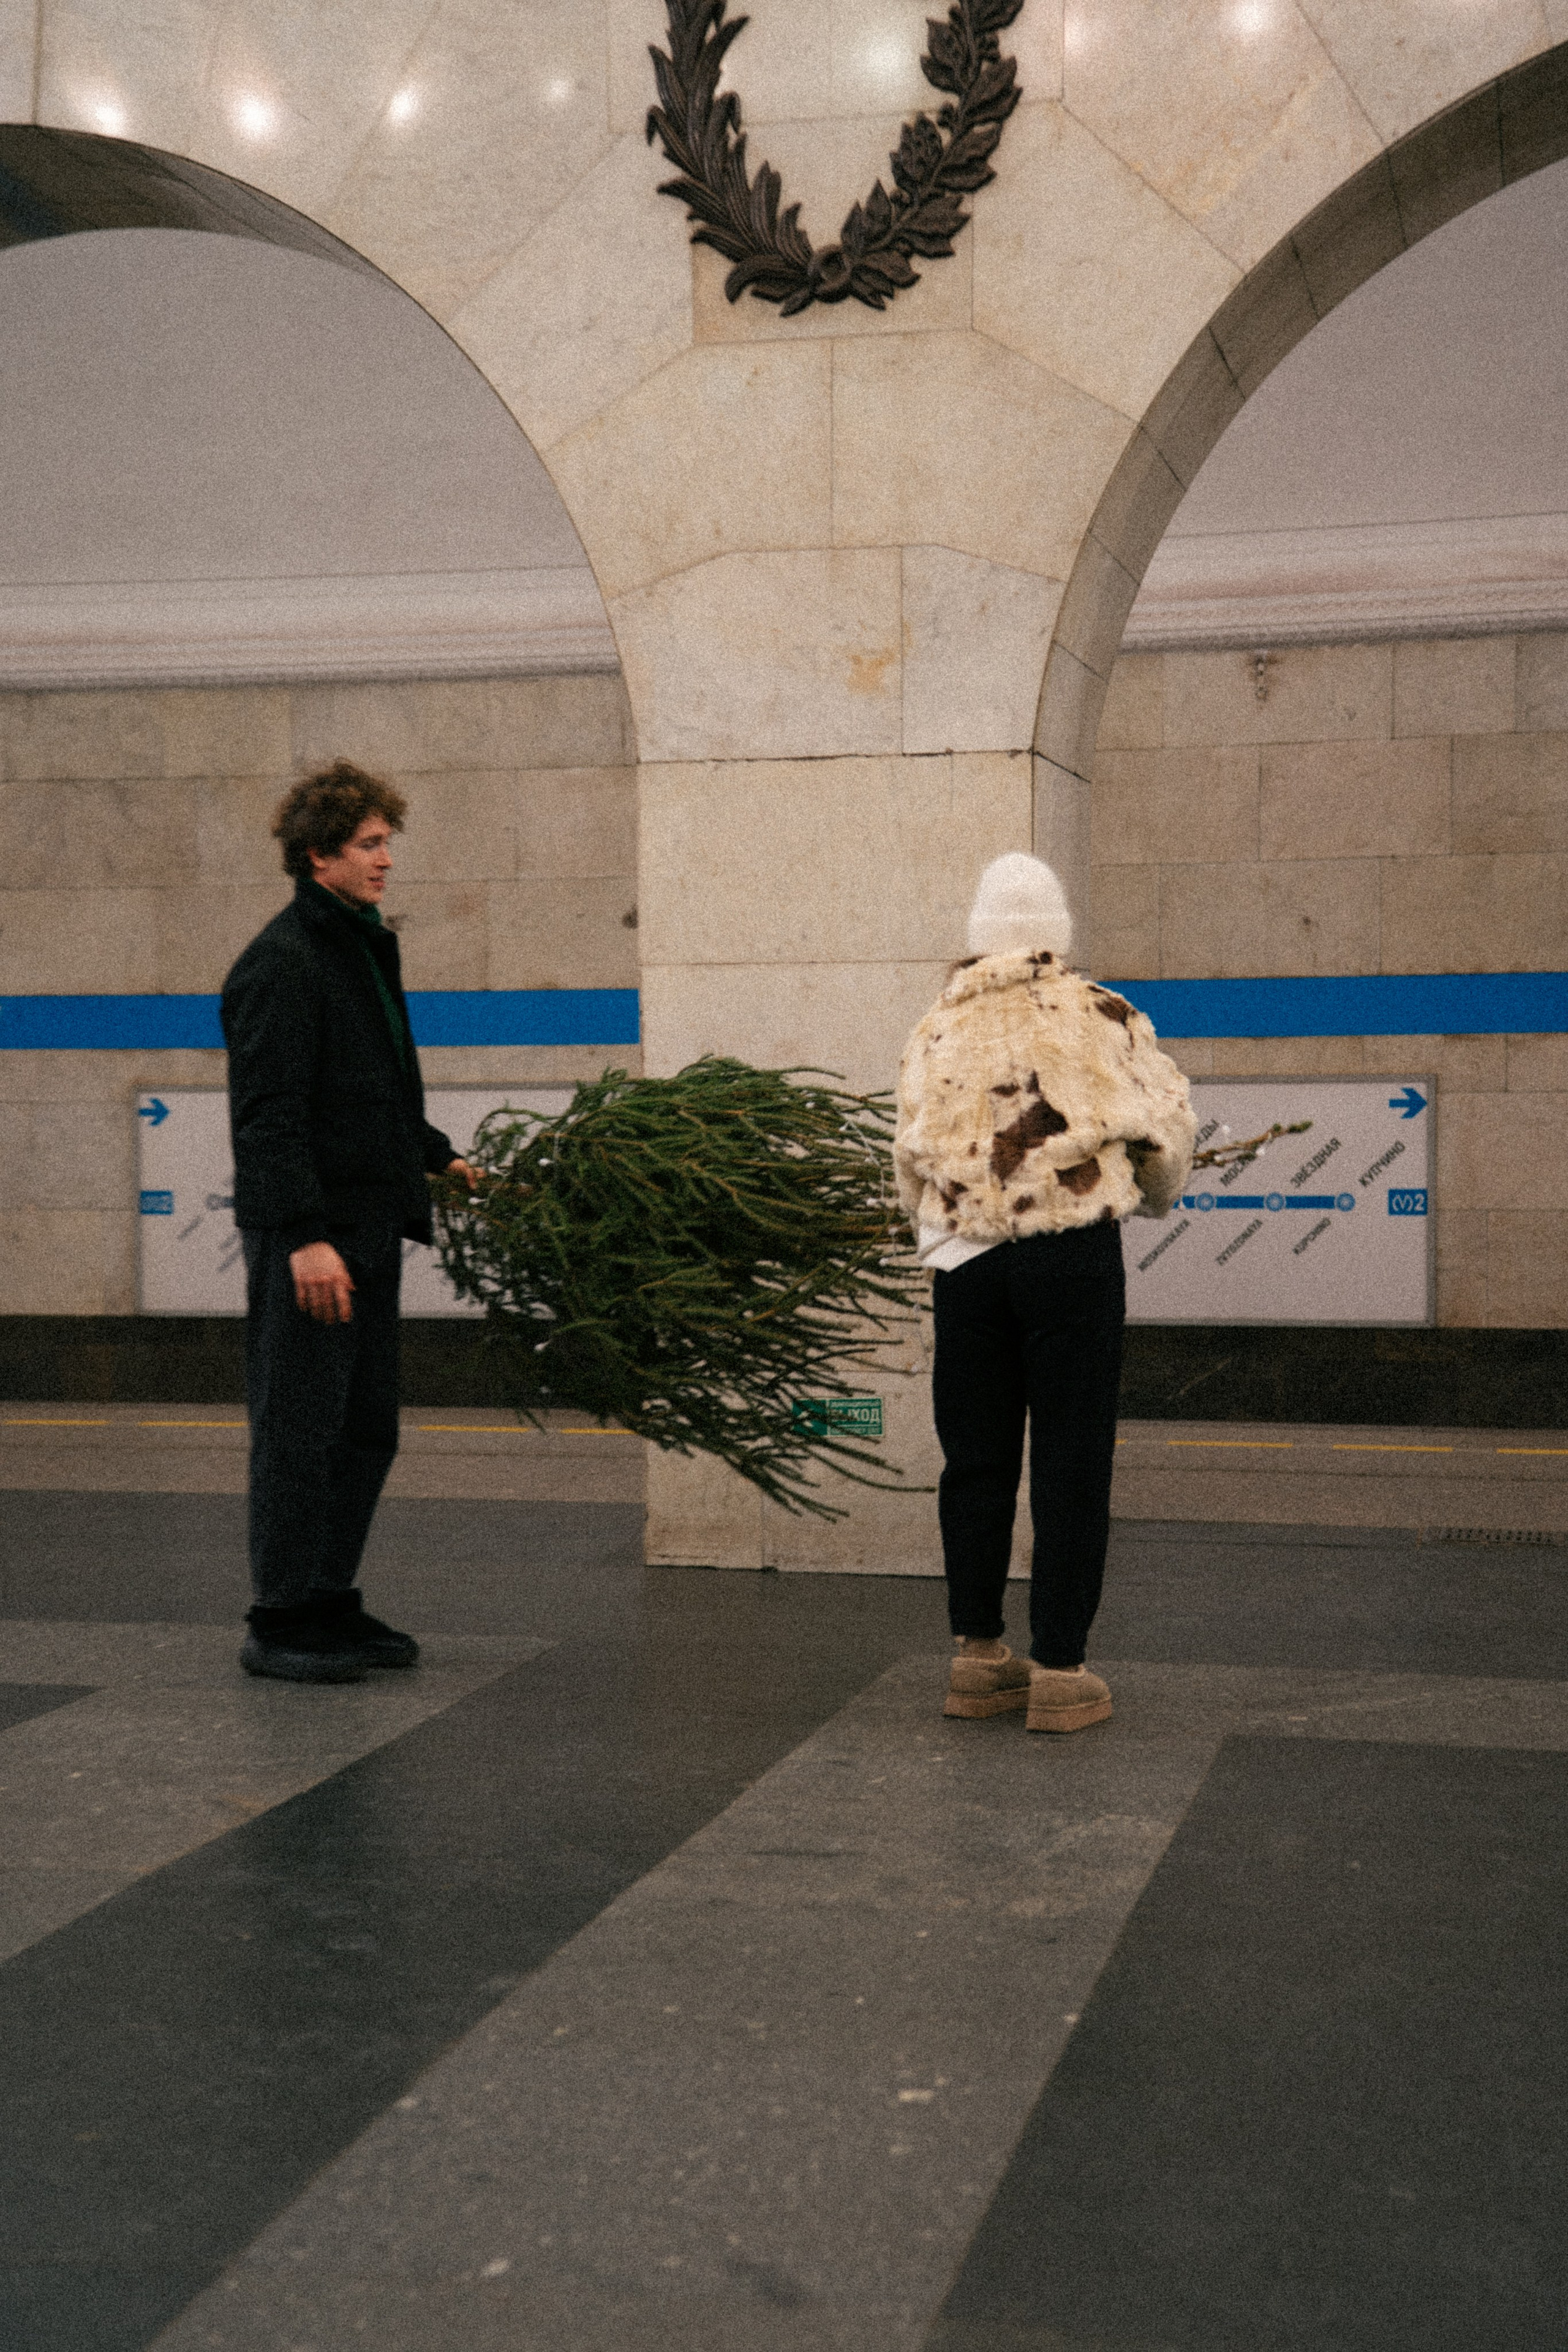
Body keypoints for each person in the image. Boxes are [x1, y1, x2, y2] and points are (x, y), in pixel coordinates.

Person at [894, 853, 1195, 1733]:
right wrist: (1150, 1187)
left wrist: (943, 1215)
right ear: (1057, 935)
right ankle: (1062, 1669)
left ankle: (979, 1658)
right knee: (1070, 1458)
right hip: (1071, 1260)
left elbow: (907, 1159)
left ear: (979, 935)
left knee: (976, 1458)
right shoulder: (1104, 1013)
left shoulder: (936, 1027)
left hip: (968, 1263)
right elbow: (1167, 1136)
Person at [221, 761, 478, 1684]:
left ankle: (327, 1597)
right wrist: (302, 1236)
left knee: (364, 1428)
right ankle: (279, 1615)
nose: (387, 860)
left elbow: (372, 1089)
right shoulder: (282, 963)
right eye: (370, 844)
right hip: (316, 1241)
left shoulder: (357, 947)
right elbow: (269, 1117)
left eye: (386, 842)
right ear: (319, 853)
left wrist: (438, 1153)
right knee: (299, 1429)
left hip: (367, 1228)